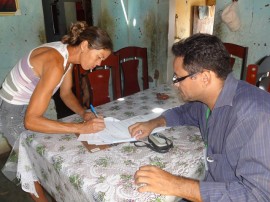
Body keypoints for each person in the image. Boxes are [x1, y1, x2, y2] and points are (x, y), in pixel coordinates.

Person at [129, 33, 270, 201]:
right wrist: (154, 122)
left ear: (205, 78)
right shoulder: (207, 102)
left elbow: (259, 196)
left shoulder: (254, 115)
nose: (175, 84)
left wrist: (175, 184)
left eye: (179, 77)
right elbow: (183, 113)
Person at [0, 21, 112, 201]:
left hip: (26, 106)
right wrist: (81, 128)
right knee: (29, 165)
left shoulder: (68, 56)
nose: (97, 64)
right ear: (84, 46)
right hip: (11, 111)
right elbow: (31, 121)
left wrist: (83, 114)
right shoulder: (55, 63)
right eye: (98, 57)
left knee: (40, 152)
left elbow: (66, 93)